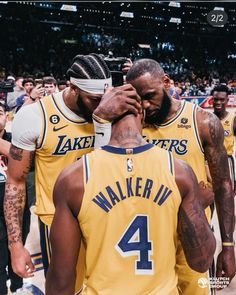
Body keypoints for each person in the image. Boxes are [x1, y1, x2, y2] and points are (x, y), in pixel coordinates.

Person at [46, 101, 216, 295]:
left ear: (103, 118)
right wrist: (196, 206)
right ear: (142, 115)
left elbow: (61, 279)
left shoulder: (74, 179)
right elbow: (202, 261)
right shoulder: (179, 172)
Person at [4, 54, 142, 292]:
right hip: (58, 222)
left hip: (106, 216)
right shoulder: (35, 116)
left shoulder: (110, 110)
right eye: (93, 99)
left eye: (104, 98)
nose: (100, 105)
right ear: (72, 87)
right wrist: (16, 246)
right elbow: (15, 181)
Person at [123, 59, 235, 294]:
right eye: (137, 98)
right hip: (145, 239)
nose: (144, 105)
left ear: (166, 82)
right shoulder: (130, 124)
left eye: (150, 95)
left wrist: (227, 245)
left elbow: (223, 183)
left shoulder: (203, 122)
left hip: (193, 234)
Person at [0, 102, 30, 295]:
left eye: (0, 112)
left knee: (18, 246)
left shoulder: (13, 139)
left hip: (17, 206)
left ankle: (18, 286)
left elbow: (21, 156)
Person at [212, 85, 236, 194]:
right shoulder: (206, 118)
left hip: (227, 161)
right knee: (209, 197)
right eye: (215, 99)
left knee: (228, 196)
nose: (218, 102)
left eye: (222, 99)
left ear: (227, 100)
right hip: (209, 162)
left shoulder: (233, 119)